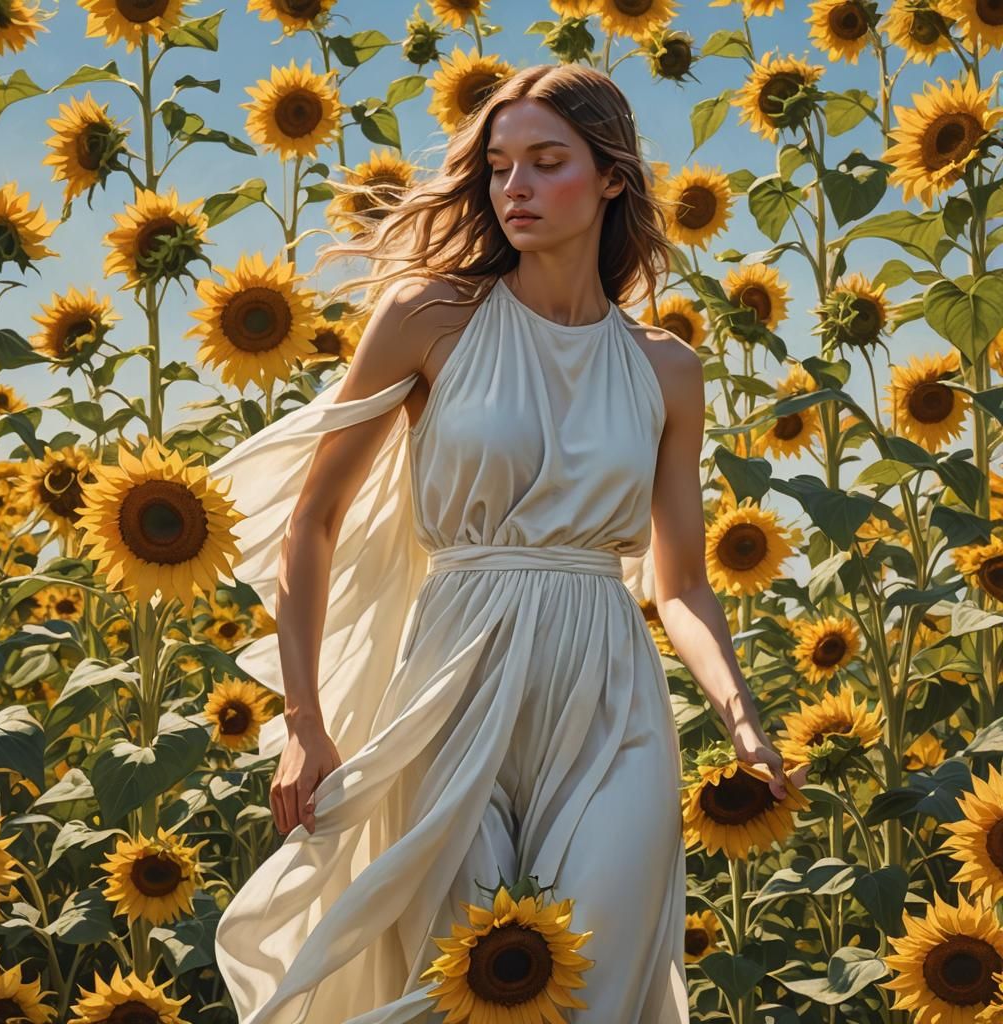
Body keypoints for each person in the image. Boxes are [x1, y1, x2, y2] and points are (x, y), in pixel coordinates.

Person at [212, 62, 790, 1024]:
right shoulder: (429, 319)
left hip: (611, 695)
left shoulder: (667, 370)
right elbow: (314, 521)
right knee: (464, 985)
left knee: (600, 984)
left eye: (546, 162)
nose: (514, 187)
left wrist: (742, 719)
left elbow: (681, 583)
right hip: (452, 684)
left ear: (612, 177)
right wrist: (304, 723)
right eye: (497, 166)